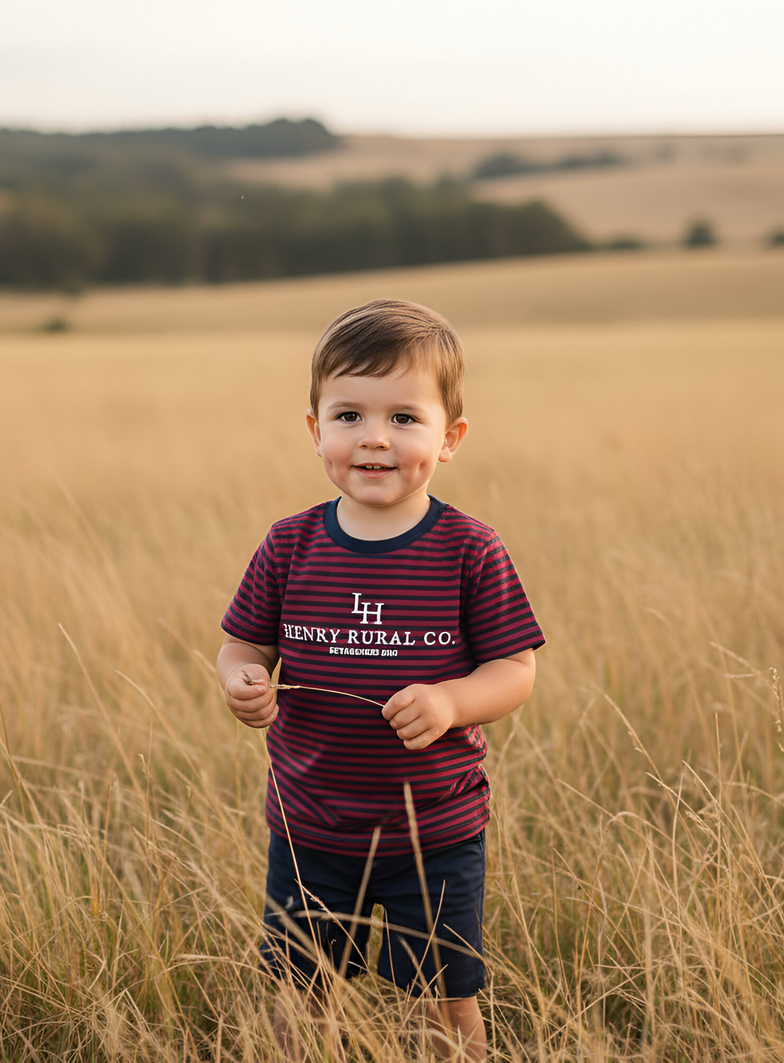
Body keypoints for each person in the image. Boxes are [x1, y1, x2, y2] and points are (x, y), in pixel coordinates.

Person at [217, 299, 544, 1060]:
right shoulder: (290, 546)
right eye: (349, 415)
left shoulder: (468, 550)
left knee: (445, 1001)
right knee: (300, 997)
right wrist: (242, 685)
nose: (374, 438)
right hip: (309, 830)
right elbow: (243, 647)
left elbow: (515, 669)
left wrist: (451, 699)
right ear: (315, 430)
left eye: (404, 418)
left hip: (433, 833)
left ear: (449, 438)